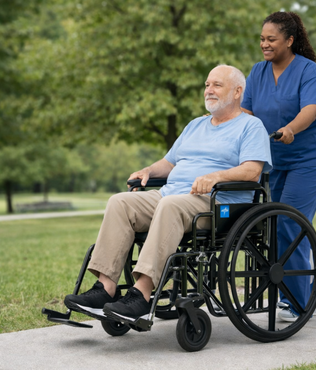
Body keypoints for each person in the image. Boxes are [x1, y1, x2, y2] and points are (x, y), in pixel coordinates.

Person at [64, 64, 272, 322]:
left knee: (170, 205)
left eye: (217, 85)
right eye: (207, 85)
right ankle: (105, 289)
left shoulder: (251, 127)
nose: (209, 90)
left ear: (238, 91)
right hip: (171, 195)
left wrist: (215, 177)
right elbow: (170, 163)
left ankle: (141, 294)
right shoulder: (195, 125)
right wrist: (148, 170)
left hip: (218, 204)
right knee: (120, 202)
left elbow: (252, 171)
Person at [241, 11, 316, 322]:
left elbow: (311, 109)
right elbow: (245, 111)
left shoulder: (307, 70)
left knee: (288, 223)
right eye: (262, 39)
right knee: (289, 224)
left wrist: (291, 129)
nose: (265, 44)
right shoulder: (258, 72)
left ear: (289, 40)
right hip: (278, 161)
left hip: (312, 158)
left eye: (271, 39)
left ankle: (297, 302)